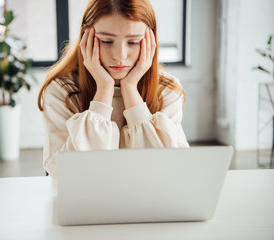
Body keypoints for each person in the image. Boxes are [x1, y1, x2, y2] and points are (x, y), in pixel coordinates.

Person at [37, 0, 189, 179]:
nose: (120, 55)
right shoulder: (61, 90)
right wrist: (104, 89)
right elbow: (66, 175)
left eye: (133, 42)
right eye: (107, 41)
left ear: (151, 42)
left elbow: (166, 172)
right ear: (86, 39)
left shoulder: (167, 90)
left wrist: (130, 90)